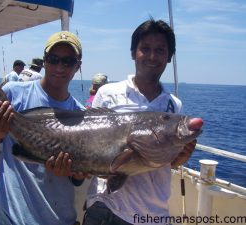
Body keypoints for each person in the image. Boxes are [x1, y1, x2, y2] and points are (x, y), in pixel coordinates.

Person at [82, 18, 197, 225]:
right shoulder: (108, 93)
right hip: (105, 208)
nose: (152, 56)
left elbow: (166, 164)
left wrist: (181, 158)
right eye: (145, 48)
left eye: (160, 50)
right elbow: (87, 141)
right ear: (133, 52)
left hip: (154, 215)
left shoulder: (174, 106)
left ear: (169, 56)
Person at [0, 31, 86, 225]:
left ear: (78, 66)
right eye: (53, 59)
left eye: (68, 61)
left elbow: (79, 177)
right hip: (11, 218)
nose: (60, 67)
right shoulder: (13, 93)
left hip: (60, 219)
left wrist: (73, 173)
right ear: (44, 61)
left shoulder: (82, 115)